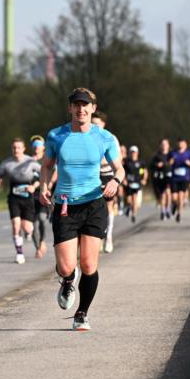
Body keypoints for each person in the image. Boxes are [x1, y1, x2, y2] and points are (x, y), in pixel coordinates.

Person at [39, 87, 124, 332]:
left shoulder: (104, 137)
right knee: (67, 266)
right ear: (70, 109)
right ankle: (67, 280)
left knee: (89, 264)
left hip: (94, 204)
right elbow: (47, 165)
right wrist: (44, 186)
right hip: (65, 205)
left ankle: (82, 314)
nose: (81, 109)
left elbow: (120, 168)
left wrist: (114, 182)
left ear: (93, 108)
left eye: (85, 105)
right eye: (76, 105)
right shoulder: (56, 135)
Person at [0, 137, 41, 264]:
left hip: (28, 198)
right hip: (14, 197)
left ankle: (28, 233)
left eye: (19, 147)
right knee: (15, 225)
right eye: (14, 148)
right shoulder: (7, 163)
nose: (16, 150)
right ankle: (19, 253)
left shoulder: (31, 162)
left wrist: (34, 187)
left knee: (27, 227)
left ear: (23, 149)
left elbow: (41, 176)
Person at [91, 112, 120, 253]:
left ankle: (108, 237)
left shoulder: (111, 138)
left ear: (103, 124)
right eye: (92, 123)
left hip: (108, 175)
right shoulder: (87, 137)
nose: (94, 126)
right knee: (95, 208)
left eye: (97, 123)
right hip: (93, 176)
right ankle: (98, 238)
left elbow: (118, 161)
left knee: (108, 208)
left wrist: (115, 180)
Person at [29, 135, 51, 259]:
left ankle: (42, 241)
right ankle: (37, 247)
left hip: (43, 193)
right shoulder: (28, 160)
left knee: (42, 219)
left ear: (43, 147)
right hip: (29, 195)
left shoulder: (47, 159)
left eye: (39, 145)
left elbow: (54, 172)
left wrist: (50, 184)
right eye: (34, 146)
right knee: (33, 224)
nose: (36, 148)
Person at [168, 137, 190, 223]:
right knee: (174, 197)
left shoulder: (188, 153)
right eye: (179, 143)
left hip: (184, 178)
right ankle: (174, 205)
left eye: (182, 143)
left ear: (185, 144)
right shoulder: (173, 153)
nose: (180, 144)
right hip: (174, 178)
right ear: (177, 144)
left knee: (181, 195)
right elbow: (168, 163)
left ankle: (179, 213)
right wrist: (170, 162)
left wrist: (189, 163)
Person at [122, 145, 147, 223]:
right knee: (129, 200)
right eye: (132, 152)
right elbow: (122, 171)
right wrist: (124, 180)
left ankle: (133, 215)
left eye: (134, 152)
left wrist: (144, 179)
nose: (133, 153)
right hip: (128, 183)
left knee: (135, 198)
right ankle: (129, 207)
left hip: (137, 183)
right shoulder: (126, 162)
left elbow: (145, 171)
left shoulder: (141, 162)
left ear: (137, 153)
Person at [150, 139, 172, 219]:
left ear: (168, 145)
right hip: (161, 177)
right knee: (163, 195)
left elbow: (175, 162)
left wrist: (167, 164)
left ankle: (168, 209)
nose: (164, 146)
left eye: (165, 144)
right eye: (162, 144)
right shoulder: (157, 156)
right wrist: (157, 165)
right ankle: (163, 211)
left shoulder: (171, 154)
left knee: (168, 193)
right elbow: (151, 165)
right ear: (160, 146)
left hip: (170, 176)